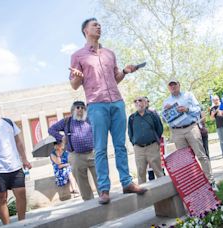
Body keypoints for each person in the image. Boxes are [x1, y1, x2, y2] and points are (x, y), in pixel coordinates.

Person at [69, 18, 146, 204]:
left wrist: (126, 72)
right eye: (94, 25)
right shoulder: (78, 56)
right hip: (96, 105)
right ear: (85, 30)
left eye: (99, 25)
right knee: (101, 148)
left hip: (117, 103)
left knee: (121, 145)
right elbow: (73, 84)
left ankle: (127, 182)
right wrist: (78, 77)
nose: (98, 26)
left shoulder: (109, 53)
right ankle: (104, 189)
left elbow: (115, 78)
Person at [163, 79, 218, 191]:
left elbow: (198, 109)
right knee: (186, 159)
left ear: (179, 85)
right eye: (171, 85)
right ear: (168, 88)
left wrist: (187, 109)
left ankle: (211, 182)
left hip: (191, 127)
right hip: (177, 131)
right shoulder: (166, 101)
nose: (173, 87)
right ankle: (196, 185)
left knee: (201, 155)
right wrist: (167, 112)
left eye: (175, 84)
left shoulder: (188, 95)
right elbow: (164, 119)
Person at [48, 101, 97, 201]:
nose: (80, 109)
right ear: (72, 110)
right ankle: (89, 202)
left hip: (93, 153)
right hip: (76, 155)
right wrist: (61, 137)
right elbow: (51, 129)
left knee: (99, 177)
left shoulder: (89, 120)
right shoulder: (67, 121)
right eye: (77, 107)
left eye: (83, 108)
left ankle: (104, 196)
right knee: (82, 182)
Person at [128, 97, 164, 184]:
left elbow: (159, 129)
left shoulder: (153, 115)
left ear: (145, 103)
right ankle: (143, 195)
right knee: (141, 172)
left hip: (152, 146)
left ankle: (165, 192)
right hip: (139, 149)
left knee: (159, 171)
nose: (137, 102)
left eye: (140, 100)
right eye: (135, 101)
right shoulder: (132, 118)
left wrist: (154, 141)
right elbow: (130, 133)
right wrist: (135, 143)